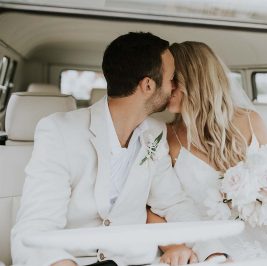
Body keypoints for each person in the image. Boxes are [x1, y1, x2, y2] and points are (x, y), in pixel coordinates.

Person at [11, 33, 226, 266]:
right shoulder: (60, 131)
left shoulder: (155, 134)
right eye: (172, 78)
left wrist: (212, 253)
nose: (176, 86)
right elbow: (34, 227)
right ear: (148, 85)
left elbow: (174, 204)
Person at [148, 41, 267, 261]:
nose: (163, 88)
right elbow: (154, 208)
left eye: (168, 80)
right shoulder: (164, 138)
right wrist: (174, 247)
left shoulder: (251, 122)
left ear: (193, 81)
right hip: (206, 250)